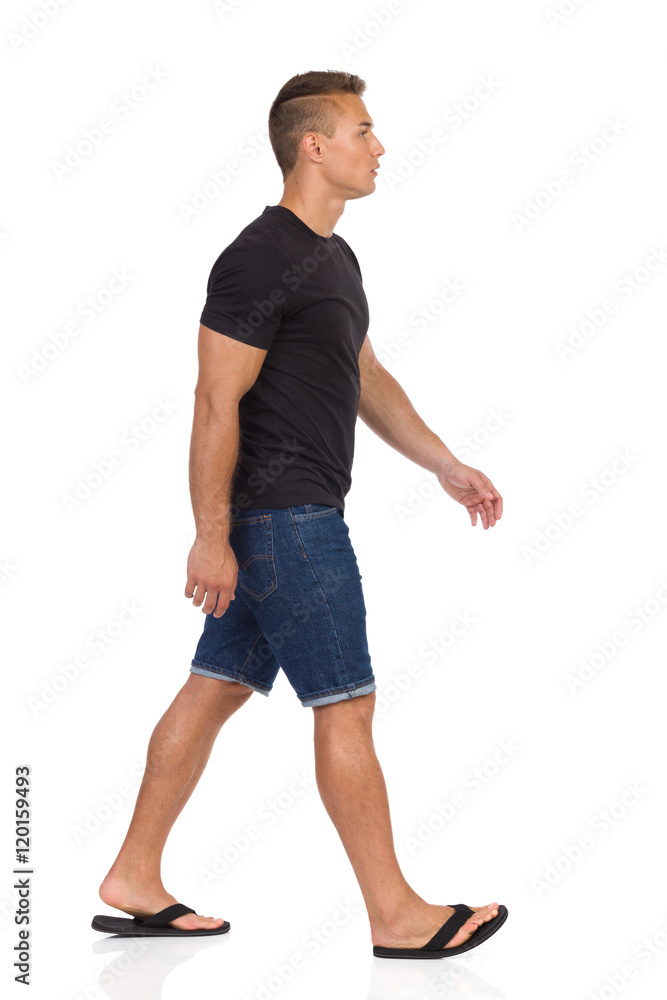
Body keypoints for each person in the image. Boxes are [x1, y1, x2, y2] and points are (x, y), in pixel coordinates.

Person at [92, 70, 507, 958]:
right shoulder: (258, 256)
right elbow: (214, 400)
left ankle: (133, 874)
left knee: (214, 689)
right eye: (363, 131)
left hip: (282, 522)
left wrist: (444, 464)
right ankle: (397, 916)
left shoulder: (332, 258)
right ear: (312, 146)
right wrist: (211, 537)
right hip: (288, 524)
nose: (379, 147)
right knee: (346, 705)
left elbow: (364, 375)